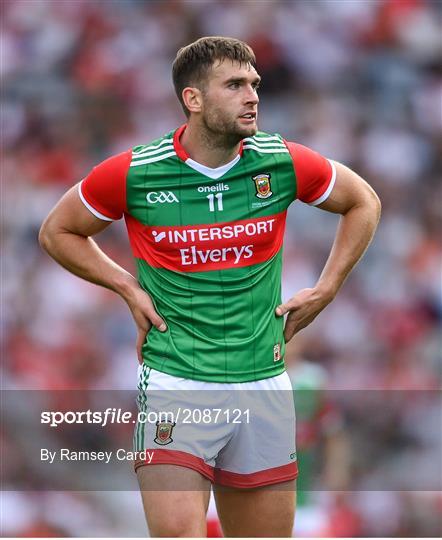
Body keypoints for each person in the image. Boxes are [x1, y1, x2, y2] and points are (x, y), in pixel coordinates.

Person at [39, 36, 381, 537]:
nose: (253, 96)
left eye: (255, 84)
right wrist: (127, 287)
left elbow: (363, 201)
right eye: (235, 84)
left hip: (262, 382)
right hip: (177, 380)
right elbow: (57, 231)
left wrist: (328, 287)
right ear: (193, 99)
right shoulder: (135, 171)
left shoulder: (280, 161)